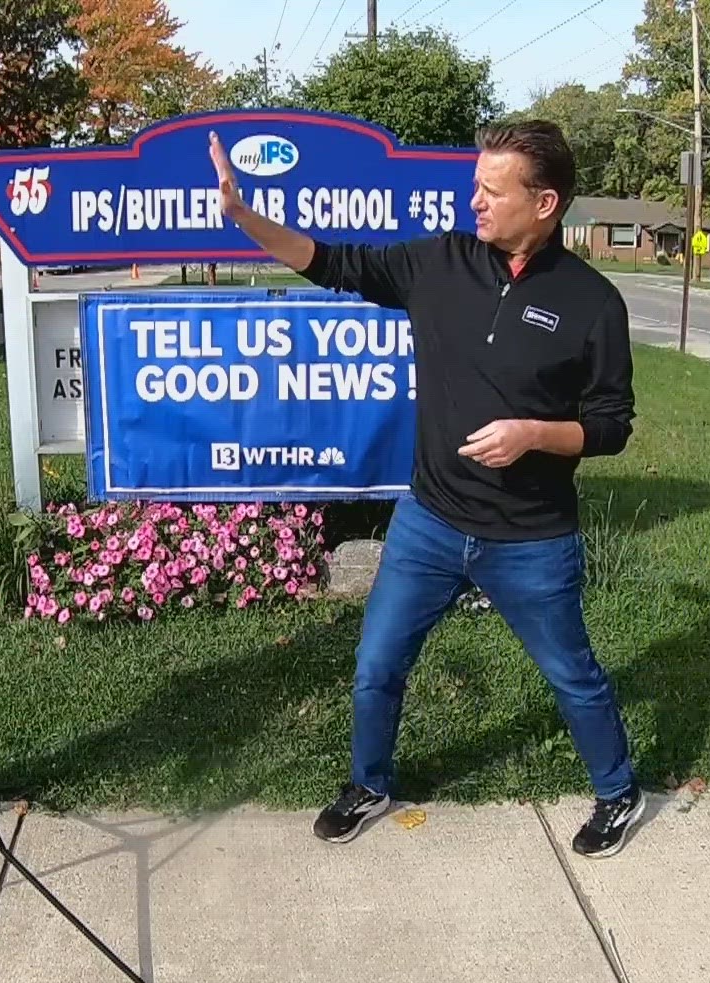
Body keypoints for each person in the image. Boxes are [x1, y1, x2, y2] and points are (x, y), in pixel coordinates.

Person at [207, 119, 645, 858]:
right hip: (430, 524)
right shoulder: (439, 264)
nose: (473, 200)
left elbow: (611, 426)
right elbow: (333, 262)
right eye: (475, 184)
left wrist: (535, 434)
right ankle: (369, 782)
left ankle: (618, 791)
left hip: (532, 539)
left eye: (491, 190)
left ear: (545, 204)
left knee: (574, 677)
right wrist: (245, 217)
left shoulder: (592, 303)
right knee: (377, 666)